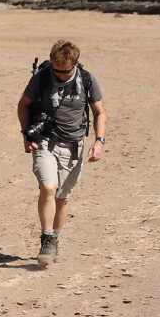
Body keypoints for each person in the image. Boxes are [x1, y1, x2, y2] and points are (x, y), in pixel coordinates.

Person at [17, 40, 107, 267]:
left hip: (74, 145)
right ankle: (46, 239)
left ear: (75, 64)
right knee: (48, 186)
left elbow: (99, 113)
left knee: (62, 199)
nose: (59, 75)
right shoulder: (42, 78)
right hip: (46, 141)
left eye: (64, 71)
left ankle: (55, 239)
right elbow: (23, 104)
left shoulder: (87, 80)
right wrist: (26, 133)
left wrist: (99, 141)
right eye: (56, 70)